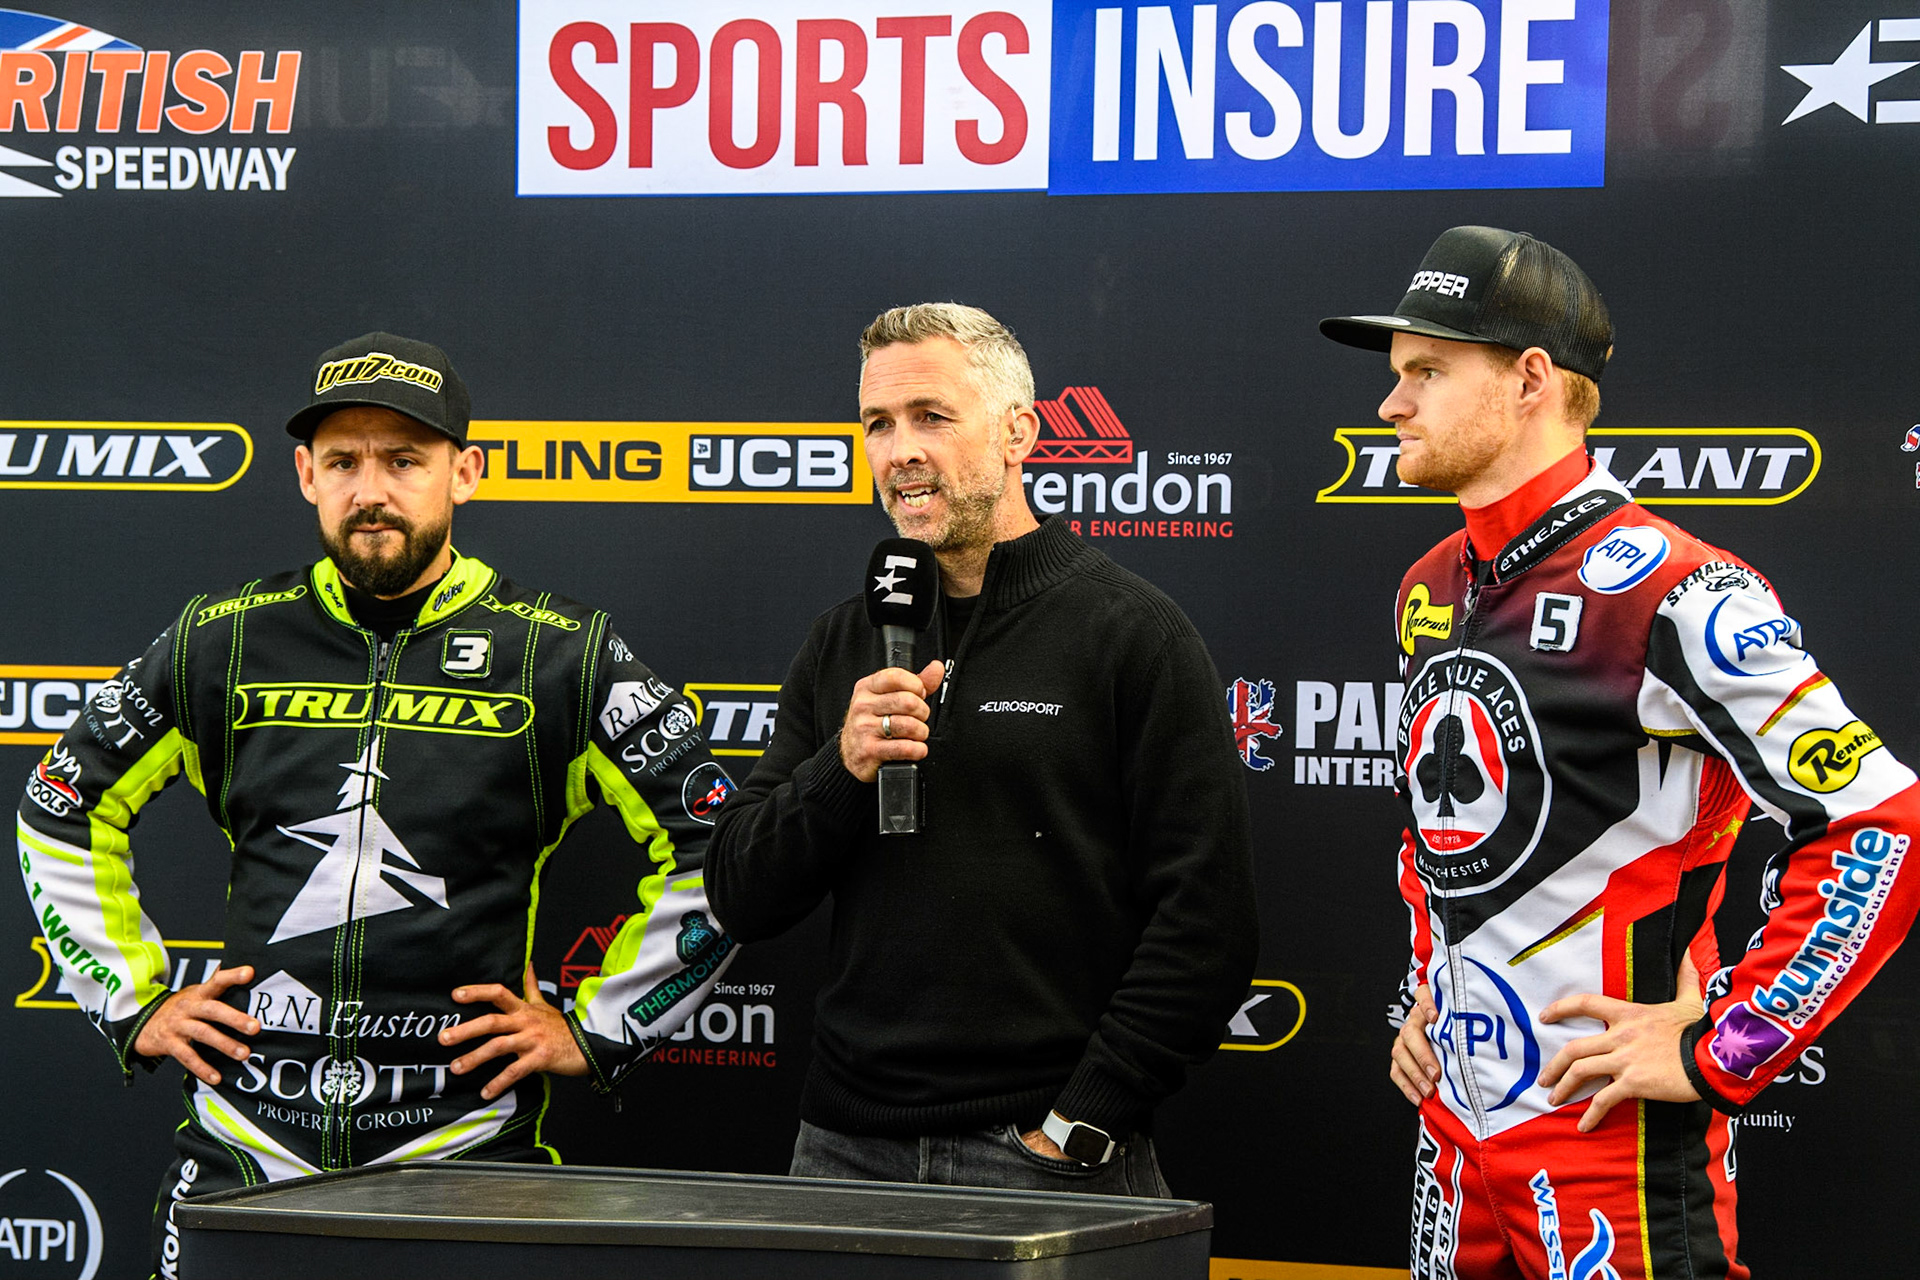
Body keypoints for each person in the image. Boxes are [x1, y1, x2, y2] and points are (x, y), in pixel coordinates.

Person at [14, 332, 738, 1276]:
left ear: (464, 473)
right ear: (307, 475)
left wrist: (602, 1026)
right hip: (248, 1146)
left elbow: (718, 843)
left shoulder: (560, 653)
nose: (372, 491)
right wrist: (133, 999)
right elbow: (61, 805)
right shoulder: (221, 639)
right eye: (345, 461)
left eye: (405, 460)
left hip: (461, 1149)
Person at [1321, 226, 1920, 1279]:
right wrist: (1424, 993)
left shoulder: (1678, 592)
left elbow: (1883, 821)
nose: (1391, 404)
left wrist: (1724, 1042)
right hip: (1453, 1130)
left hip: (1606, 1135)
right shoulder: (1430, 582)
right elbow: (1446, 834)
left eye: (1425, 371)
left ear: (1532, 381)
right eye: (1395, 375)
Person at [706, 303, 1257, 1196]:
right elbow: (741, 891)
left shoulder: (1134, 634)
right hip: (844, 1149)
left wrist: (1084, 1119)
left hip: (1044, 1153)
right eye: (877, 425)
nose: (899, 451)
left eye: (931, 416)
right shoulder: (843, 639)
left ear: (1018, 433)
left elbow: (1209, 922)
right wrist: (837, 771)